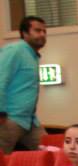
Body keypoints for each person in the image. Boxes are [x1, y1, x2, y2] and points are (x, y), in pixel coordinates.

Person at [0, 16, 45, 154]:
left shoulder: (32, 55)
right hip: (9, 118)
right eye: (37, 30)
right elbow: (1, 79)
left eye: (44, 31)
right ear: (25, 33)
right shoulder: (14, 50)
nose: (42, 34)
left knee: (50, 152)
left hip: (29, 120)